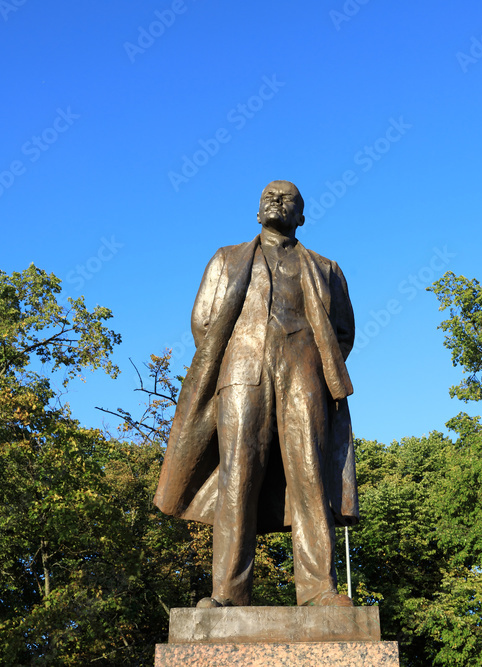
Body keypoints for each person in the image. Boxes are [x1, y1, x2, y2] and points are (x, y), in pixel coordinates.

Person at [153, 180, 359, 607]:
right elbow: (203, 323)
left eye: (287, 199)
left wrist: (314, 365)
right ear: (257, 209)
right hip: (242, 372)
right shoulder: (226, 259)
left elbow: (343, 333)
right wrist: (240, 353)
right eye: (269, 196)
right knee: (238, 477)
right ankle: (228, 593)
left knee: (310, 476)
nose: (276, 201)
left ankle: (320, 590)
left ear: (301, 216)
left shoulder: (325, 268)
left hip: (305, 374)